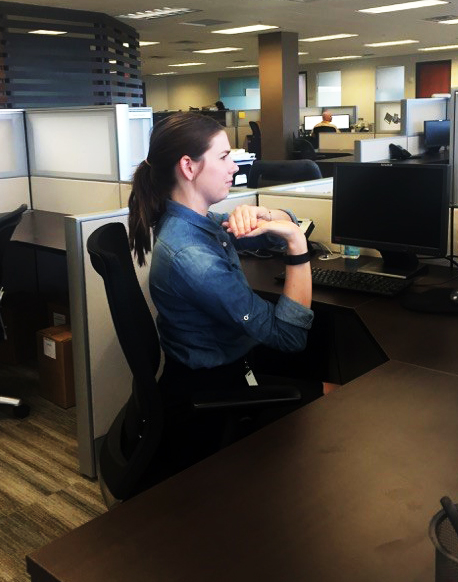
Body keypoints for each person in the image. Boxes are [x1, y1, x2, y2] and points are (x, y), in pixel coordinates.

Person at [128, 112, 331, 422]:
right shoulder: (192, 256)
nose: (234, 167)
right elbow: (288, 337)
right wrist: (297, 246)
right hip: (213, 392)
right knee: (336, 388)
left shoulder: (195, 222)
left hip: (226, 367)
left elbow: (280, 229)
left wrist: (265, 213)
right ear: (188, 166)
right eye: (224, 157)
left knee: (324, 349)